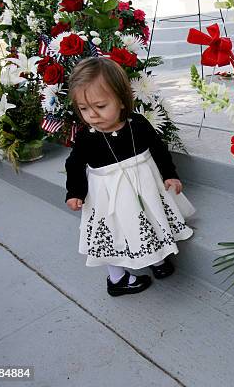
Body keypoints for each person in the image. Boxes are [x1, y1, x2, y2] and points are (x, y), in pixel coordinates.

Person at [65, 57, 194, 296]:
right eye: (84, 109)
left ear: (121, 100)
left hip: (145, 190)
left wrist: (170, 175)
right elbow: (74, 164)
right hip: (109, 200)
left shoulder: (137, 124)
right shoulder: (86, 137)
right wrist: (74, 192)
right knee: (112, 235)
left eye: (100, 106)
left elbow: (158, 149)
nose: (92, 115)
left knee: (150, 219)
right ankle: (117, 279)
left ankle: (158, 259)